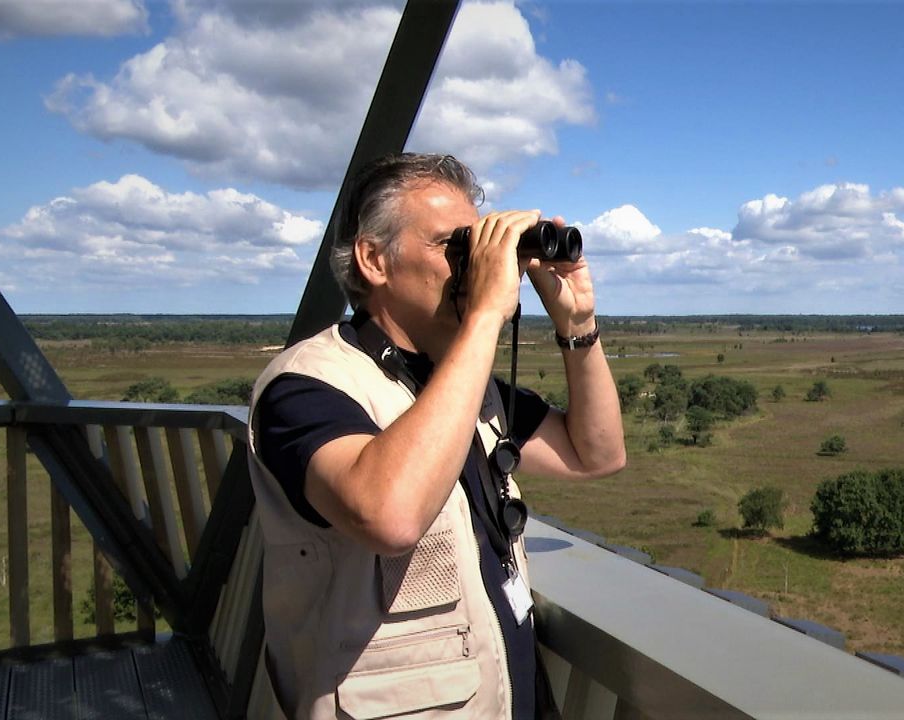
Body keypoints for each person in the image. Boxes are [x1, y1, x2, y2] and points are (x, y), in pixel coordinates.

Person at [246, 153, 626, 719]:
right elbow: (390, 515)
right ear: (374, 260)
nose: (473, 266)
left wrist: (576, 325)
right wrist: (485, 318)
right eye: (453, 247)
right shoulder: (304, 388)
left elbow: (595, 453)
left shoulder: (465, 383)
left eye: (477, 246)